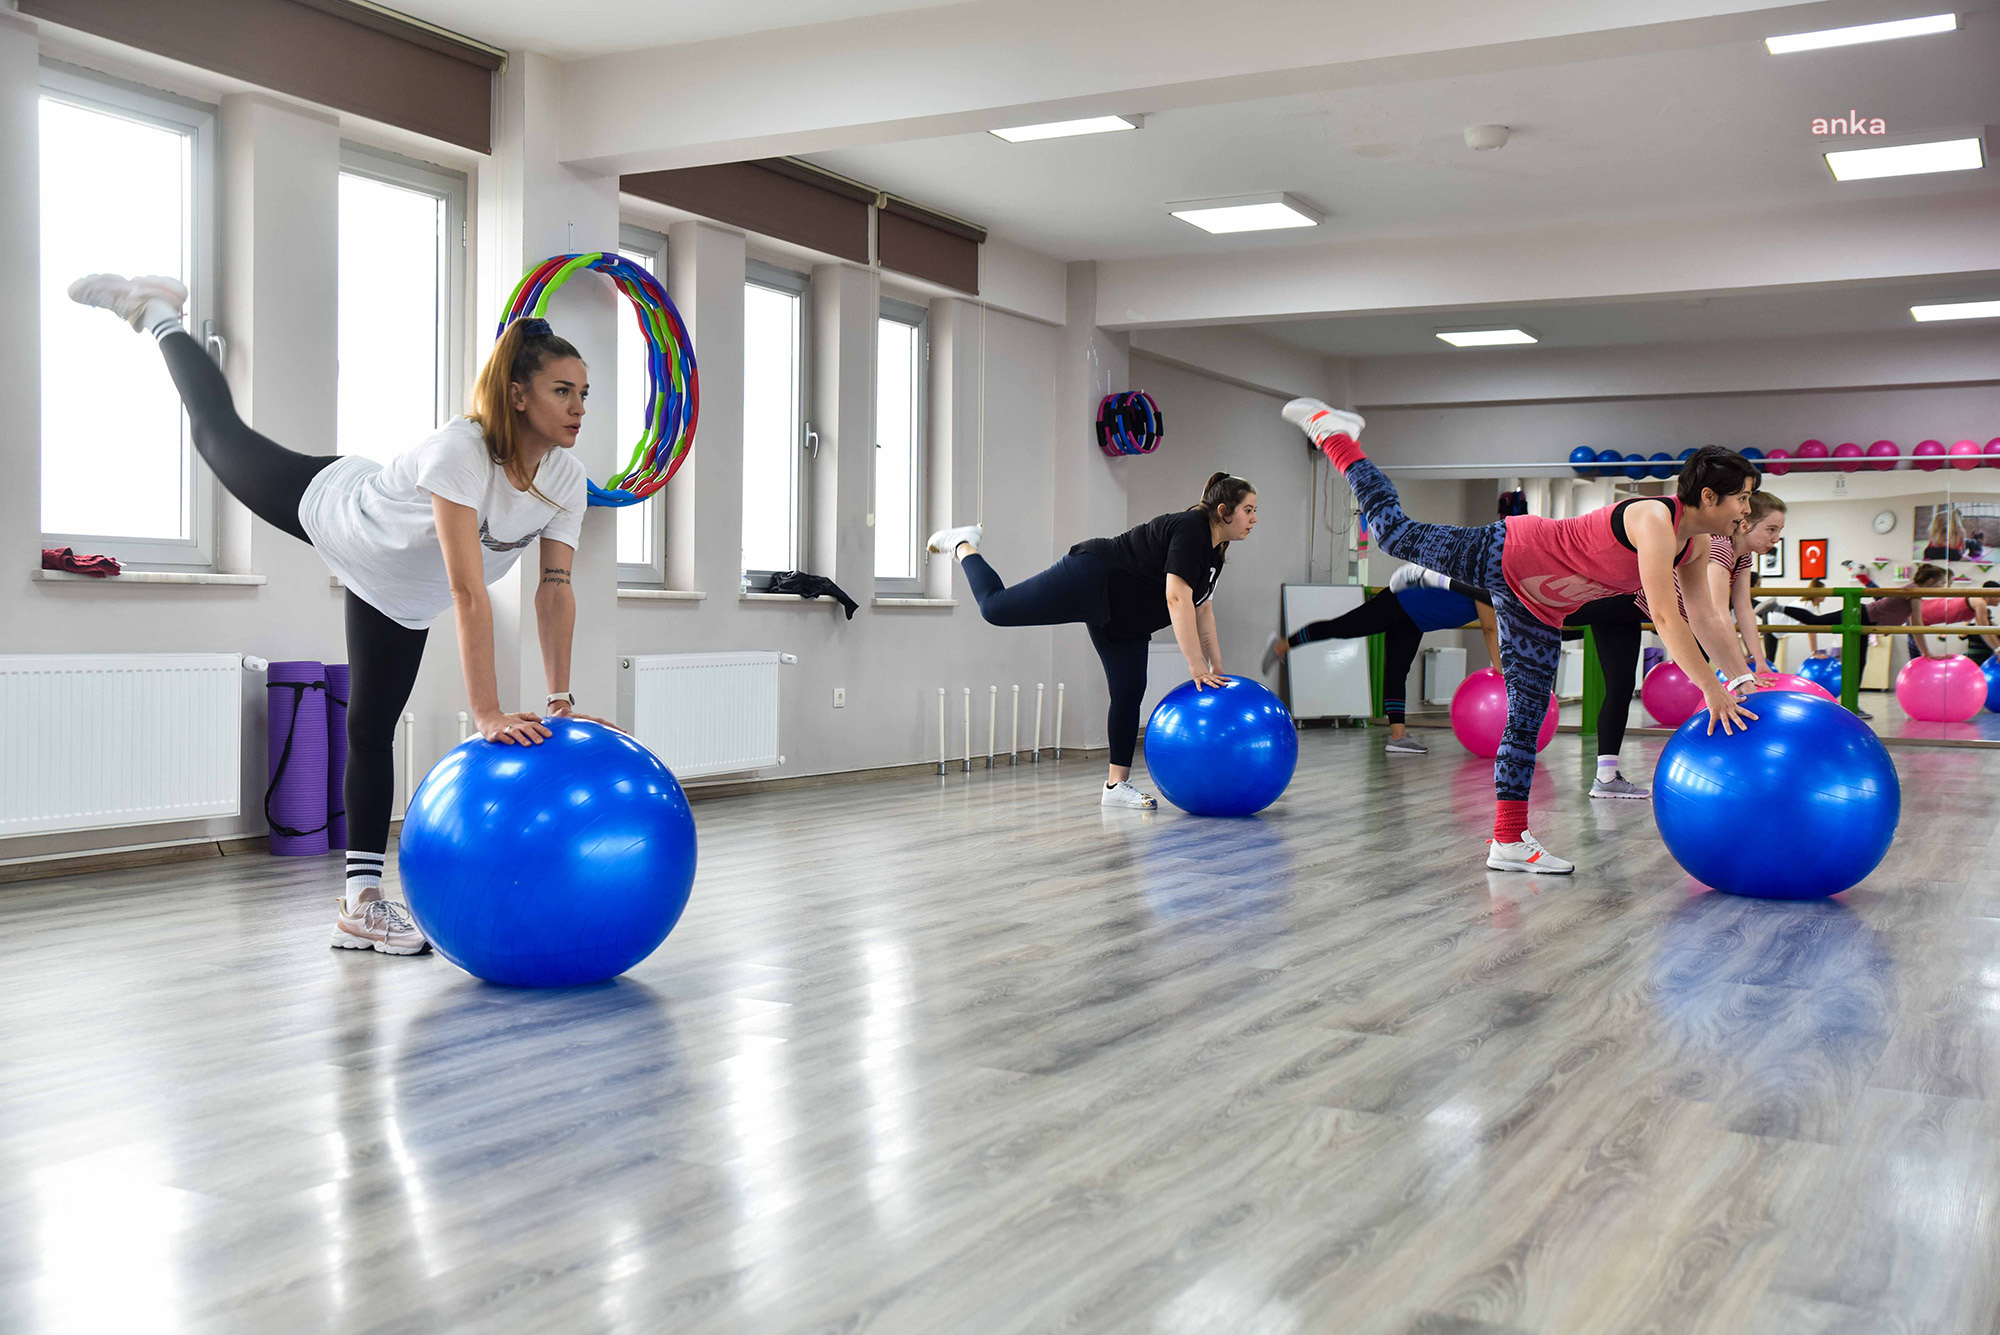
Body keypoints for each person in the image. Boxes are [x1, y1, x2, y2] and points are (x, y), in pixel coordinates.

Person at [69, 273, 599, 956]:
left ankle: (359, 905)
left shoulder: (565, 480)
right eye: (563, 390)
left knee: (370, 726)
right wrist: (489, 713)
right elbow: (470, 592)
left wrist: (560, 700)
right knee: (217, 437)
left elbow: (553, 588)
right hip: (345, 516)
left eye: (585, 392)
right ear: (519, 395)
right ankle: (158, 313)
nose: (578, 406)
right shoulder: (461, 451)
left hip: (400, 595)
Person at [1281, 398, 1758, 875]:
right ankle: (1337, 437)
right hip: (1507, 552)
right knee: (1391, 535)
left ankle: (1508, 841)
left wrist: (1743, 683)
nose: (1747, 510)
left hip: (1540, 607)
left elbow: (1707, 619)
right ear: (1710, 497)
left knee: (1526, 717)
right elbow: (1666, 618)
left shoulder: (1693, 546)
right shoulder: (1654, 519)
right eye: (1742, 498)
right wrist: (1712, 690)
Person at [928, 472, 1255, 809]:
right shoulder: (1190, 529)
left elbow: (1203, 613)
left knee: (1129, 692)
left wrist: (1216, 667)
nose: (1254, 518)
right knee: (996, 608)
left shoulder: (1215, 555)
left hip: (1126, 617)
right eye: (1248, 510)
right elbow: (1176, 598)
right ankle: (964, 545)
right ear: (1223, 511)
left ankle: (1116, 787)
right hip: (1094, 575)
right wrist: (1196, 666)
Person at [1262, 563, 1500, 755]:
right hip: (1399, 604)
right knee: (1342, 627)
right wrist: (1500, 669)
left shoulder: (1496, 591)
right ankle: (1283, 645)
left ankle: (1398, 737)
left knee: (1397, 672)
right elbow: (1490, 629)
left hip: (1415, 620)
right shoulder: (1485, 587)